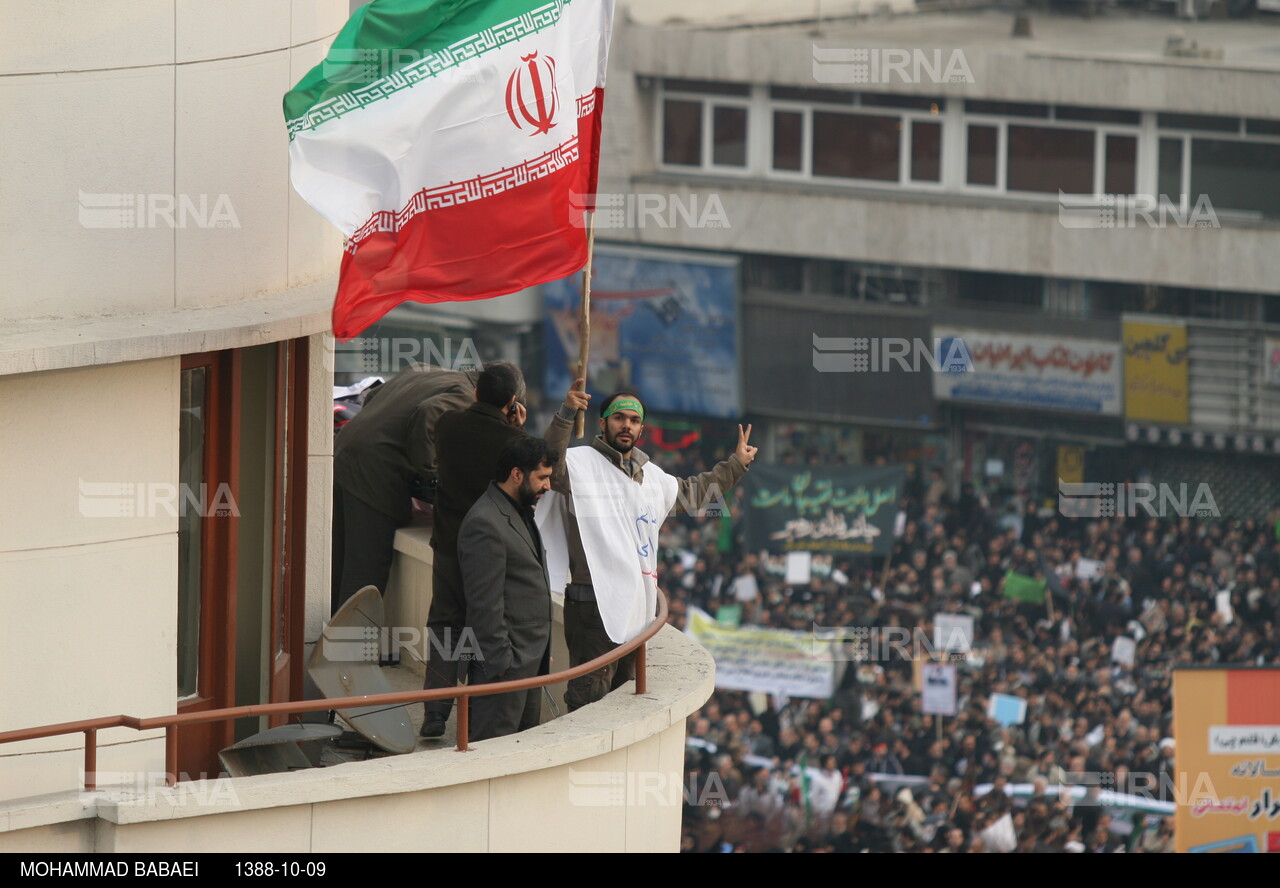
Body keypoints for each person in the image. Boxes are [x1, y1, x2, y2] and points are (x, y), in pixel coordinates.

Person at [540, 391, 758, 711]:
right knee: (589, 698)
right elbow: (549, 464)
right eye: (619, 418)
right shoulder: (580, 464)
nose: (626, 425)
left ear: (642, 429)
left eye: (634, 420)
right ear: (603, 423)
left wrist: (736, 465)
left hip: (636, 606)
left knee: (623, 697)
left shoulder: (651, 477)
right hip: (593, 603)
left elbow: (693, 492)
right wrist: (566, 415)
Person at [420, 369, 589, 738]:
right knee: (486, 618)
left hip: (450, 545)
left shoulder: (448, 425)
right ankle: (479, 696)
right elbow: (533, 460)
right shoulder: (513, 440)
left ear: (476, 391)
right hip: (496, 540)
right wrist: (517, 425)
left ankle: (436, 711)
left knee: (447, 628)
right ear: (513, 403)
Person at [331, 361, 490, 613]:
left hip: (344, 455)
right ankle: (349, 652)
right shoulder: (466, 395)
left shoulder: (423, 370)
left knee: (338, 566)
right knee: (364, 571)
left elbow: (373, 395)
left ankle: (330, 646)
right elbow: (429, 412)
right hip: (374, 472)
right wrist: (431, 474)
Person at [457, 436, 560, 742]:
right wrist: (503, 663)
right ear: (517, 474)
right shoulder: (485, 523)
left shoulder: (518, 510)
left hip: (528, 664)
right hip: (503, 671)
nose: (548, 487)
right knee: (490, 760)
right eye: (542, 477)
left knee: (518, 756)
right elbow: (484, 605)